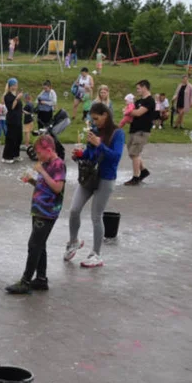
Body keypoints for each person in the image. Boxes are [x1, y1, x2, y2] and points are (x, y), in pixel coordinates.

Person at [66, 102, 125, 268]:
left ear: (105, 115)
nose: (94, 122)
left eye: (96, 118)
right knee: (74, 210)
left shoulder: (117, 133)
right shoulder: (95, 131)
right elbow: (90, 155)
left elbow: (116, 157)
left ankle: (96, 254)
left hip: (106, 179)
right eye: (92, 119)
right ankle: (73, 241)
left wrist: (101, 145)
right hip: (89, 177)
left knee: (96, 216)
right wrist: (79, 155)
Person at [5, 134, 66, 294]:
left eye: (39, 153)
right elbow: (45, 185)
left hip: (48, 212)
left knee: (34, 245)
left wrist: (42, 172)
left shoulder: (58, 164)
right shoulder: (45, 164)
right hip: (39, 210)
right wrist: (32, 180)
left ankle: (25, 281)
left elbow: (57, 188)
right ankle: (41, 279)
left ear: (49, 149)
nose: (37, 156)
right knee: (40, 245)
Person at [123, 80, 156, 186]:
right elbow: (132, 112)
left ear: (144, 87)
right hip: (134, 129)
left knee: (134, 153)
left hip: (142, 130)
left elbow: (138, 113)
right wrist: (128, 111)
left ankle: (136, 177)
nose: (137, 91)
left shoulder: (149, 101)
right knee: (132, 152)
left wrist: (128, 112)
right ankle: (144, 171)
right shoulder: (138, 101)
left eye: (138, 88)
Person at [2, 78, 23, 163]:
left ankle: (16, 155)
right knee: (11, 138)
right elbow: (11, 107)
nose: (15, 86)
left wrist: (24, 111)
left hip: (18, 119)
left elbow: (18, 107)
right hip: (12, 120)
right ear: (10, 86)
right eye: (14, 85)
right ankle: (7, 156)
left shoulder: (15, 95)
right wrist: (17, 98)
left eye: (16, 85)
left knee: (18, 138)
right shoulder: (7, 96)